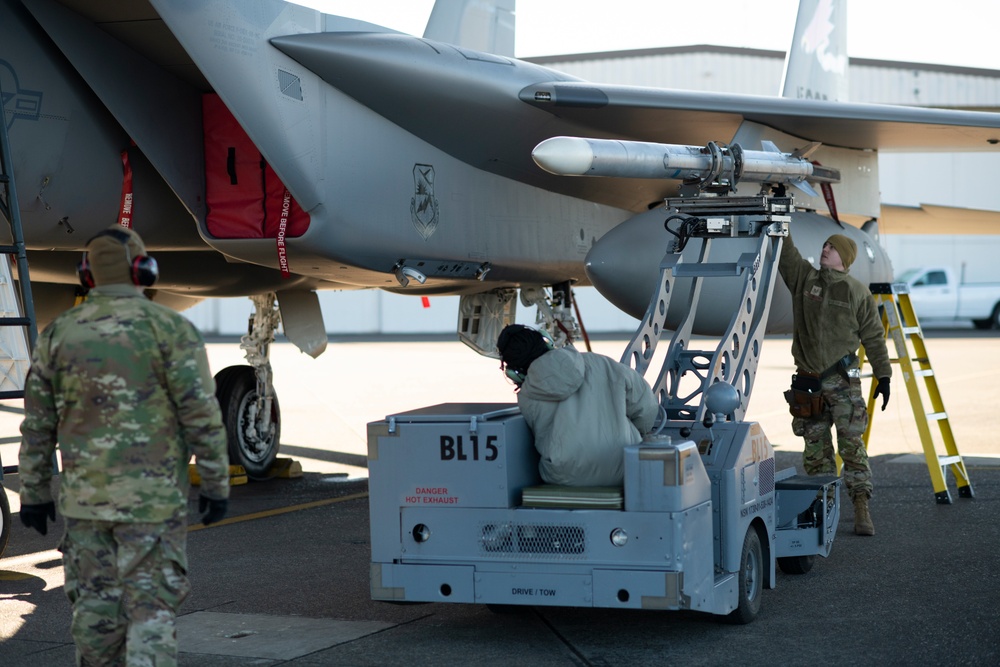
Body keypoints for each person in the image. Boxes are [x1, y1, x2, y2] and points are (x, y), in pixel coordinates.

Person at [18, 225, 231, 666]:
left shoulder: (59, 334)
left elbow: (39, 424)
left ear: (86, 274)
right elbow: (202, 416)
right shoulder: (171, 330)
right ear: (143, 270)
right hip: (152, 508)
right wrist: (215, 483)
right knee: (150, 615)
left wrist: (35, 493)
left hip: (85, 507)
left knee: (95, 620)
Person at [779, 231, 891, 536]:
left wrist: (884, 375)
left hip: (844, 379)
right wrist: (781, 222)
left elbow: (873, 337)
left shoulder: (857, 291)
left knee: (851, 444)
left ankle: (860, 507)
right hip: (808, 380)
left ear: (845, 257)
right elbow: (787, 255)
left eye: (832, 247)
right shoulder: (805, 279)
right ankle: (823, 506)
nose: (825, 248)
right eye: (824, 244)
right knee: (815, 449)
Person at [496, 324, 658, 487]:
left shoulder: (526, 396)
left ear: (514, 373)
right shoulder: (602, 363)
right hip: (626, 467)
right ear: (547, 341)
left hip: (564, 477)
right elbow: (647, 409)